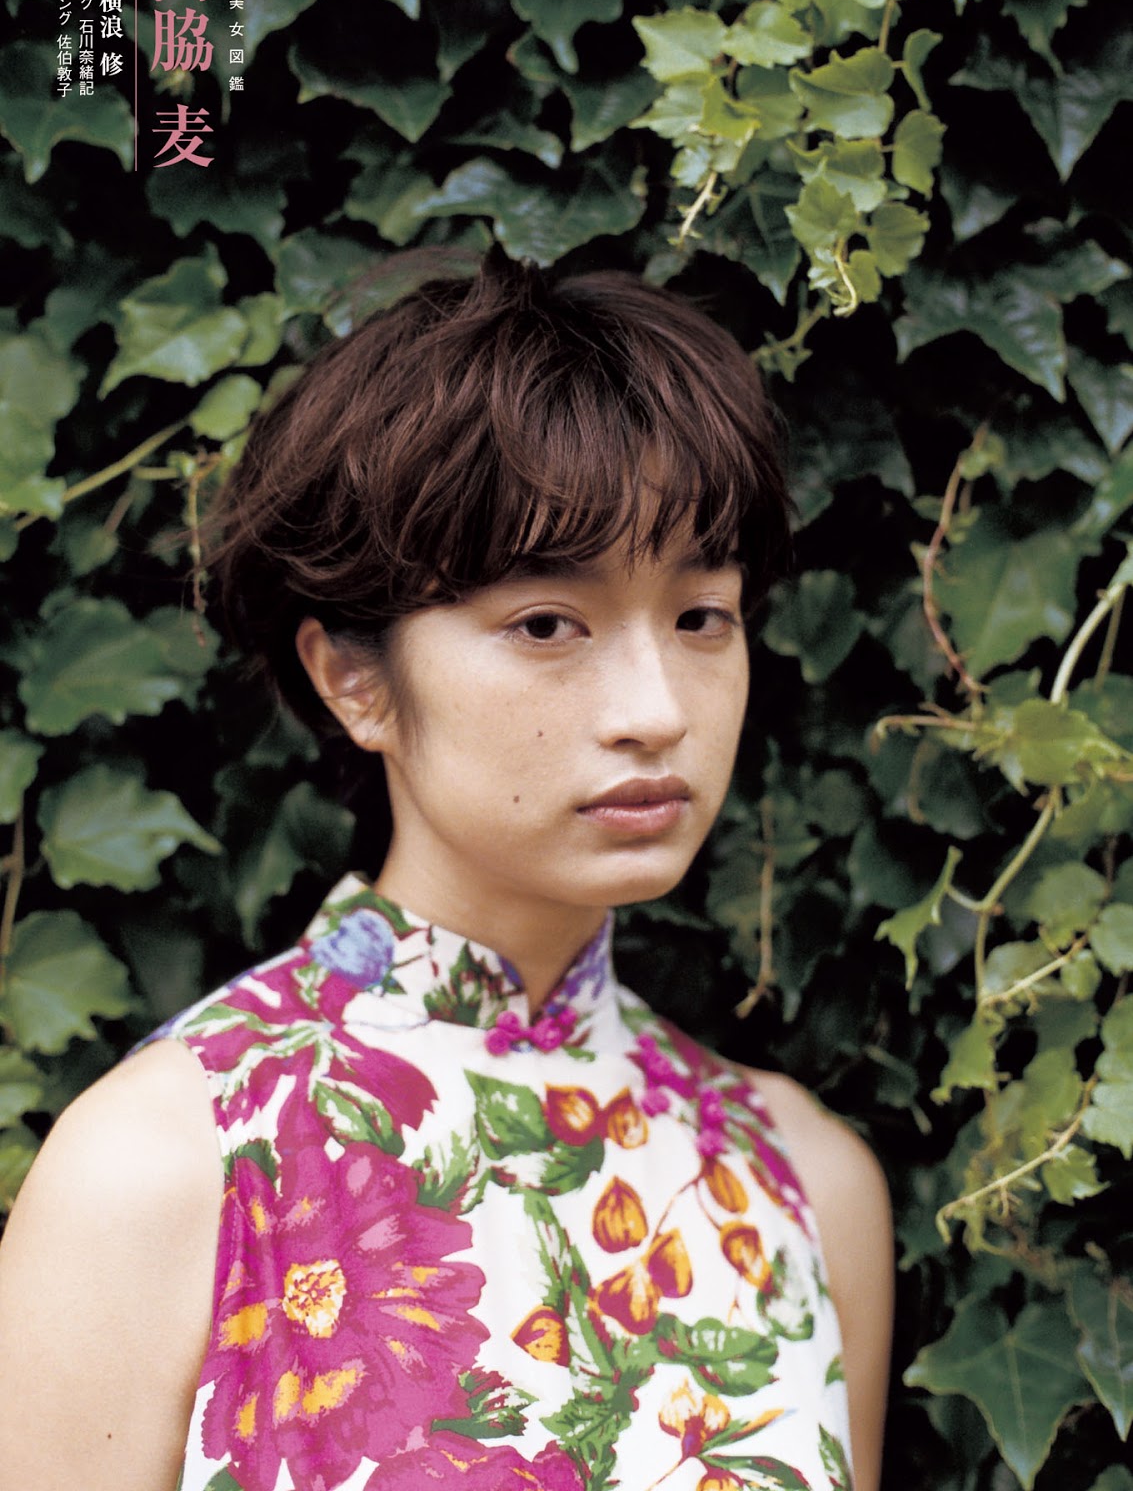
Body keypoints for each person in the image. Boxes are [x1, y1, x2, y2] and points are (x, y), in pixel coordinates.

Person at [0, 255, 892, 1491]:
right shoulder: (164, 1169)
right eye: (546, 624)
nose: (654, 710)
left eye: (700, 616)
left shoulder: (800, 1179)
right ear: (353, 679)